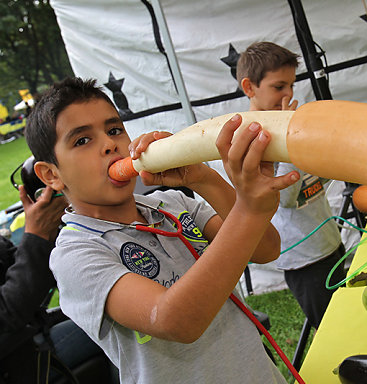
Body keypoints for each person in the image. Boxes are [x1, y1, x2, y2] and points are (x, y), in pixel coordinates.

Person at [25, 77, 299, 384]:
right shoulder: (75, 255)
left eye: (114, 130)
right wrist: (249, 210)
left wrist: (203, 178)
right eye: (82, 141)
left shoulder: (172, 204)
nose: (109, 145)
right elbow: (175, 320)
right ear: (51, 175)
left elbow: (266, 248)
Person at [237, 41, 345, 329]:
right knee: (332, 333)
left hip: (328, 242)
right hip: (303, 261)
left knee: (347, 322)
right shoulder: (249, 138)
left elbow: (322, 176)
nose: (288, 94)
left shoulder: (289, 123)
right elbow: (284, 197)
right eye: (278, 86)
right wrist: (286, 136)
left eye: (291, 85)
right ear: (250, 88)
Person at [0, 185, 109, 383]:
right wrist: (36, 236)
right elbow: (7, 314)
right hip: (17, 360)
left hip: (31, 338)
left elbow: (22, 267)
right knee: (114, 329)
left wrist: (51, 227)